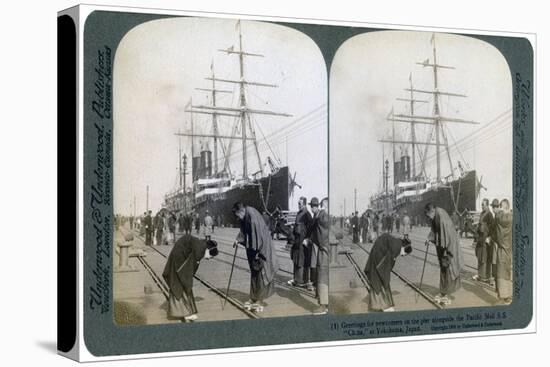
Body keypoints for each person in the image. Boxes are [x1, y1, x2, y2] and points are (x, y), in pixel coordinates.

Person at [232, 202, 279, 312]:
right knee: (254, 272)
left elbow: (257, 236)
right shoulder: (246, 215)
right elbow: (243, 231)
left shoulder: (252, 217)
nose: (237, 218)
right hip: (254, 247)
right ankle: (253, 297)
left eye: (237, 215)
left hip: (261, 248)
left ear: (241, 211)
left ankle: (259, 299)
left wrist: (257, 252)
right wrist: (237, 239)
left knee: (261, 273)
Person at [162, 234, 218, 321]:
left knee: (181, 281)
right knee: (181, 282)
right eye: (210, 257)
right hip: (179, 258)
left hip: (180, 254)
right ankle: (186, 313)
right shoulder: (200, 250)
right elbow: (188, 269)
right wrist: (188, 282)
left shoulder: (201, 246)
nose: (208, 259)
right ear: (208, 250)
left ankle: (186, 311)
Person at [425, 203, 464, 305]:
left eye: (428, 215)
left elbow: (446, 235)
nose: (428, 218)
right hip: (443, 246)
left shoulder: (441, 216)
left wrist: (446, 251)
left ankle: (446, 294)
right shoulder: (435, 215)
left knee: (448, 269)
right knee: (443, 268)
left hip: (448, 247)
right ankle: (443, 292)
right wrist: (429, 238)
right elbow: (434, 229)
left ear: (432, 211)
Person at [364, 233, 412, 311]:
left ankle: (383, 304)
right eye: (403, 254)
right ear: (404, 248)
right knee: (381, 279)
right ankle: (383, 305)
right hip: (378, 257)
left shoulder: (398, 242)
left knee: (380, 278)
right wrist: (387, 274)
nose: (401, 255)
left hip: (377, 254)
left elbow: (389, 260)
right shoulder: (397, 247)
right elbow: (387, 263)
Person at [309, 197, 330, 315]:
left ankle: (323, 306)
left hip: (324, 251)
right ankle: (325, 304)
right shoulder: (323, 216)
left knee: (322, 276)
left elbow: (322, 236)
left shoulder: (322, 216)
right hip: (326, 250)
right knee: (324, 276)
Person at [288, 197, 313, 289]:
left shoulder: (307, 214)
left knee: (302, 261)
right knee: (296, 259)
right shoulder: (299, 213)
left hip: (303, 242)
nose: (298, 205)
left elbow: (310, 229)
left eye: (300, 203)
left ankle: (303, 280)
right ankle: (296, 279)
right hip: (297, 241)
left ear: (304, 204)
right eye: (298, 203)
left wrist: (307, 239)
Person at [493, 199, 513, 304]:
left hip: (503, 248)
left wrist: (499, 211)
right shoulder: (511, 216)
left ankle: (505, 297)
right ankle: (506, 295)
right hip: (508, 247)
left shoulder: (504, 217)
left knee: (501, 271)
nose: (498, 208)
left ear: (504, 207)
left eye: (500, 206)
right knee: (506, 271)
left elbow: (499, 218)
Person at [473, 199, 494, 284]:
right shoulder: (482, 213)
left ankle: (486, 276)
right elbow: (480, 225)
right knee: (479, 256)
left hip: (486, 239)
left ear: (487, 205)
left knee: (485, 258)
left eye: (483, 205)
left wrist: (489, 237)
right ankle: (480, 274)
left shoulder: (489, 215)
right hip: (480, 238)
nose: (482, 206)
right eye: (481, 204)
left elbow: (492, 228)